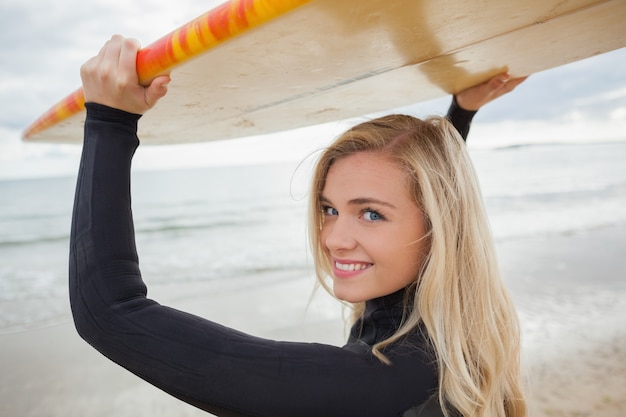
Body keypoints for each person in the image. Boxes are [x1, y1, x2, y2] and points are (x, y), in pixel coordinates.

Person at [71, 35, 527, 417]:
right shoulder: (452, 336)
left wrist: (110, 121)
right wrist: (460, 114)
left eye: (370, 214)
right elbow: (434, 198)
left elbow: (109, 313)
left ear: (439, 230)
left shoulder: (379, 385)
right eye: (330, 208)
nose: (333, 238)